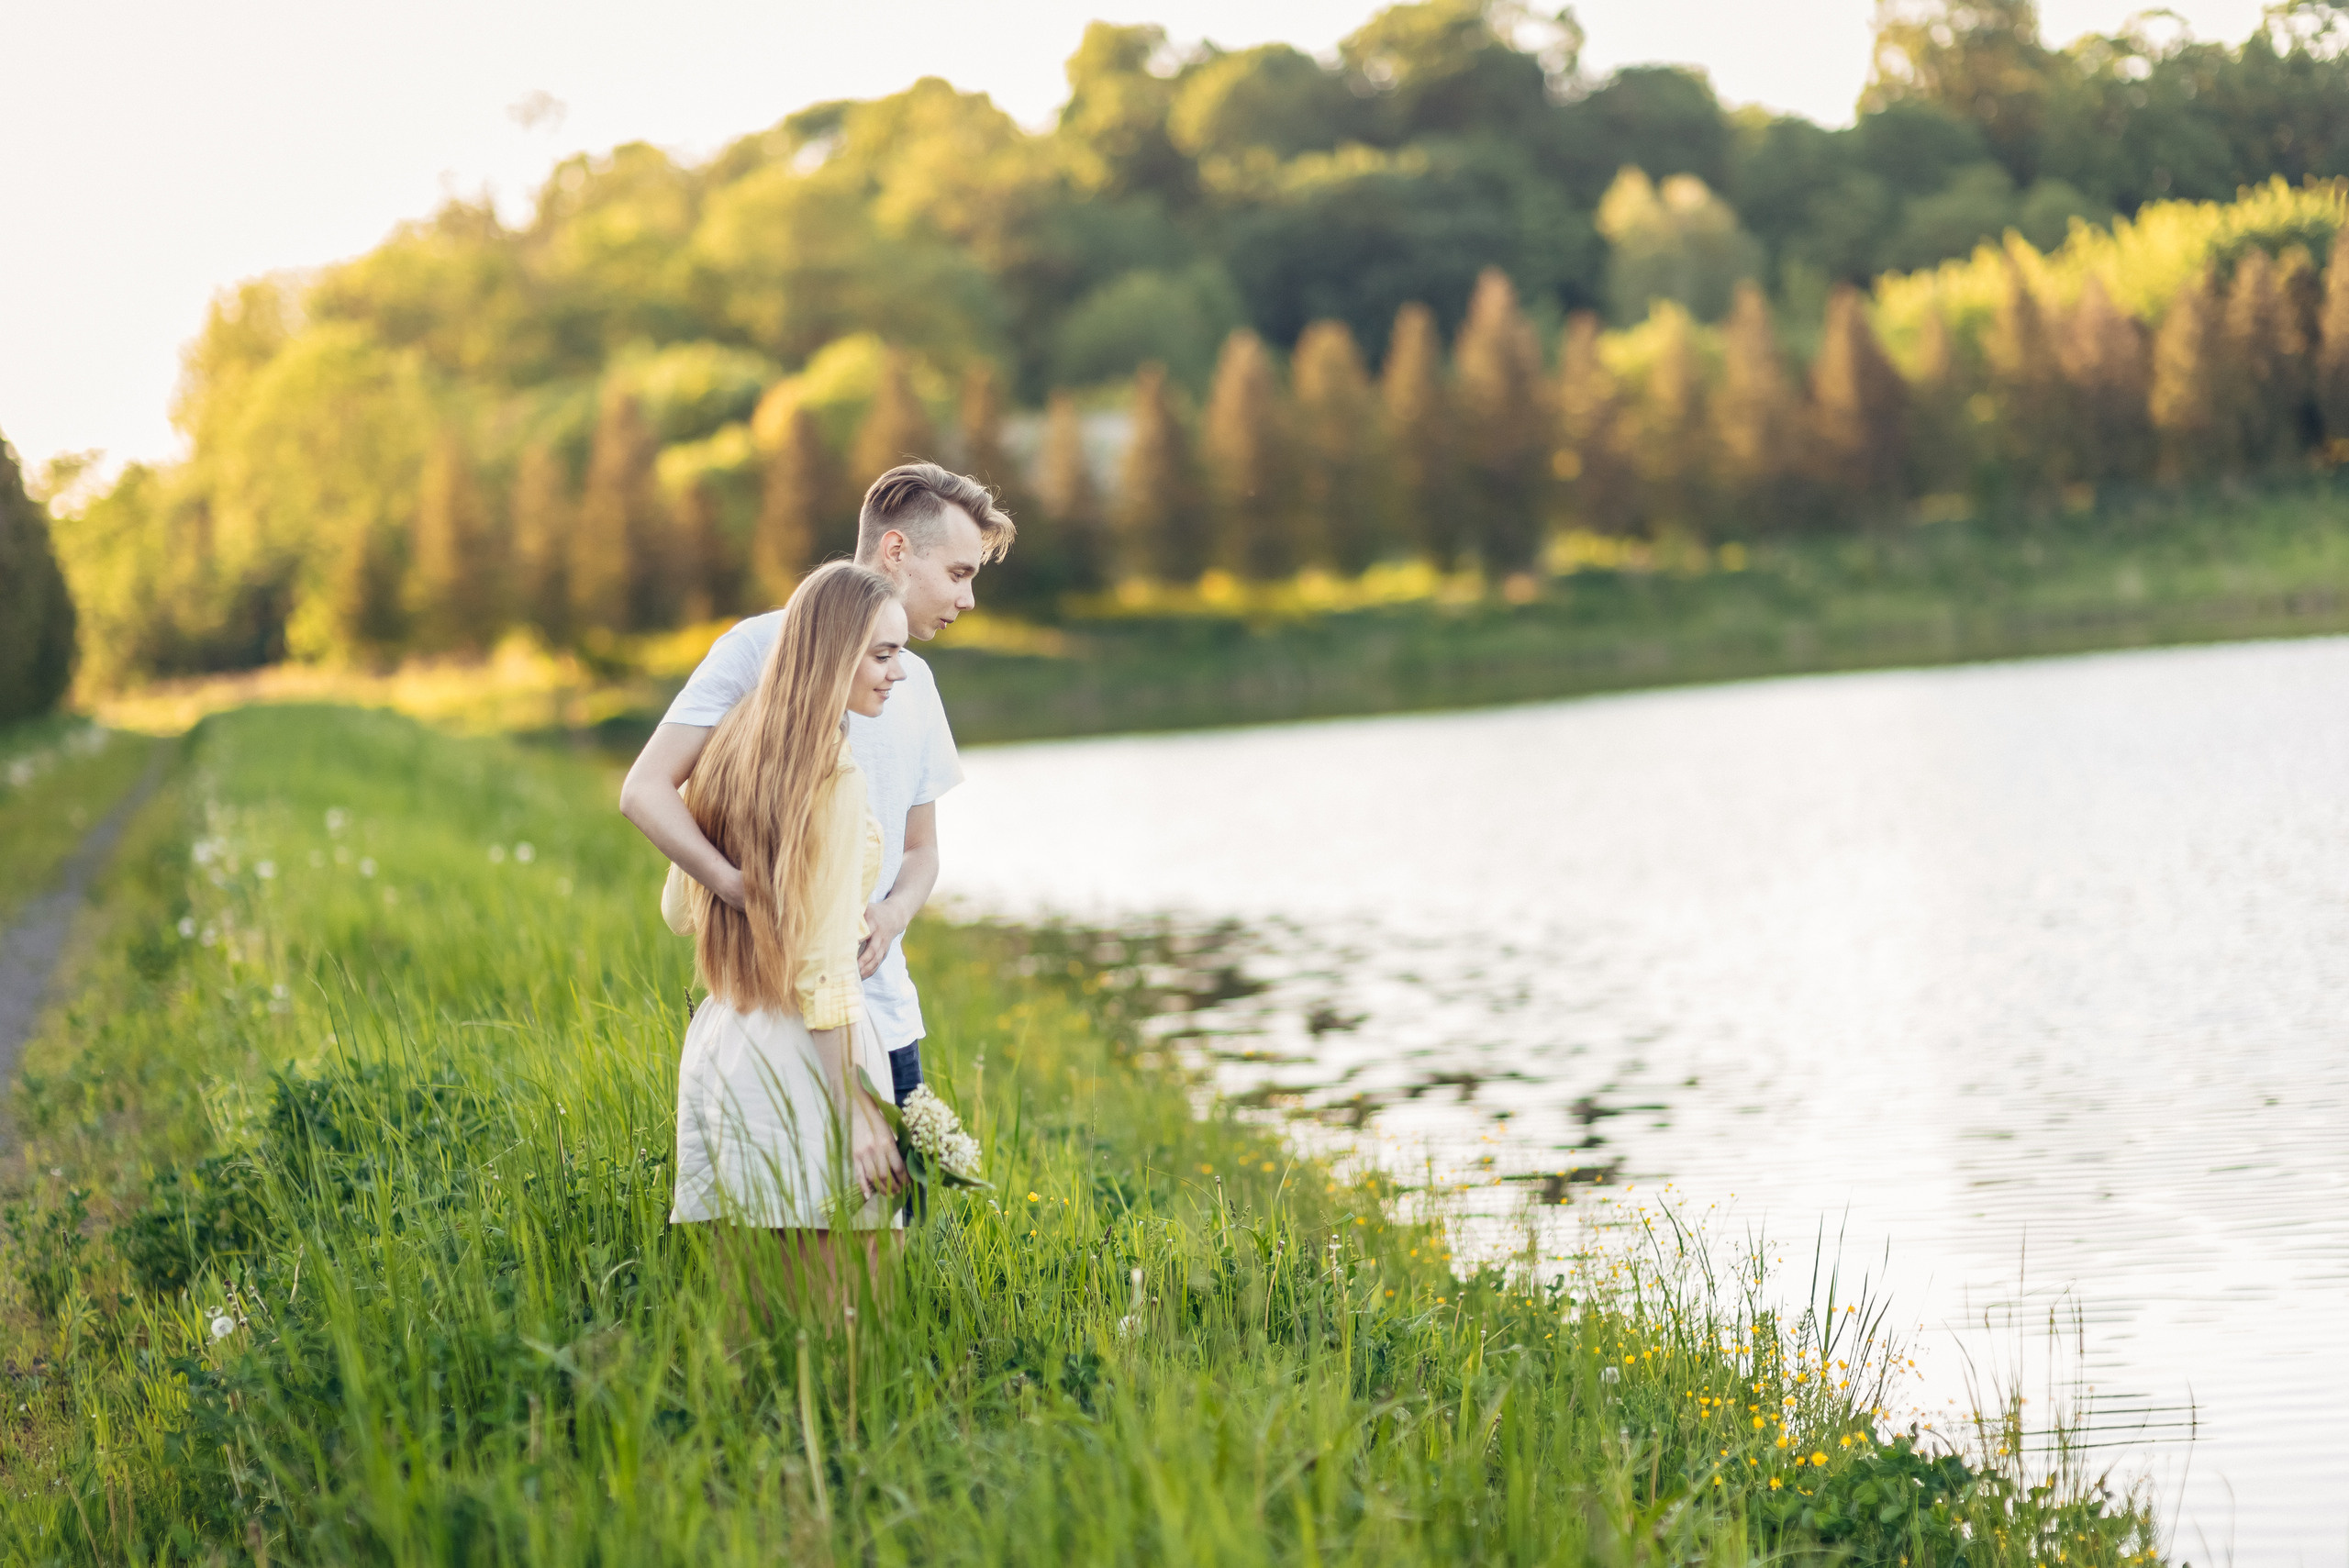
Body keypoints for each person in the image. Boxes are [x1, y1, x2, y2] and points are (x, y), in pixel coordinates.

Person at [620, 463, 1016, 1105]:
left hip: (885, 1017)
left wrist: (890, 916)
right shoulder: (758, 647)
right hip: (771, 1012)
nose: (968, 600)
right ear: (896, 550)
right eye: (958, 573)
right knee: (789, 1203)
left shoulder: (914, 683)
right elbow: (645, 789)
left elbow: (921, 851)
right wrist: (736, 886)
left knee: (889, 1205)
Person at [663, 562, 908, 1277]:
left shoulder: (731, 745)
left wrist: (766, 890)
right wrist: (857, 1110)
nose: (897, 672)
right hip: (808, 1058)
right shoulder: (834, 772)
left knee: (749, 1338)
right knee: (855, 1342)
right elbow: (825, 968)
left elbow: (679, 910)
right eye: (882, 653)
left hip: (723, 1046)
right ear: (833, 653)